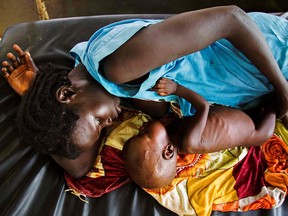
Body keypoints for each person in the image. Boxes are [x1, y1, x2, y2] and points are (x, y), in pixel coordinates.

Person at [1, 6, 288, 179]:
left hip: (274, 57)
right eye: (103, 129)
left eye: (99, 122)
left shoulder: (118, 66)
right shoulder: (98, 81)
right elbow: (79, 168)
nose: (110, 124)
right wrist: (30, 94)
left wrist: (283, 90)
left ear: (66, 94)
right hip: (256, 85)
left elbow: (232, 19)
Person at [122, 78, 276, 189]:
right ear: (168, 151)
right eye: (145, 133)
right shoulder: (189, 141)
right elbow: (203, 106)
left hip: (243, 113)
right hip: (257, 133)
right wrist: (176, 89)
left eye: (137, 132)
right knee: (275, 104)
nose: (141, 126)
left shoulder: (174, 131)